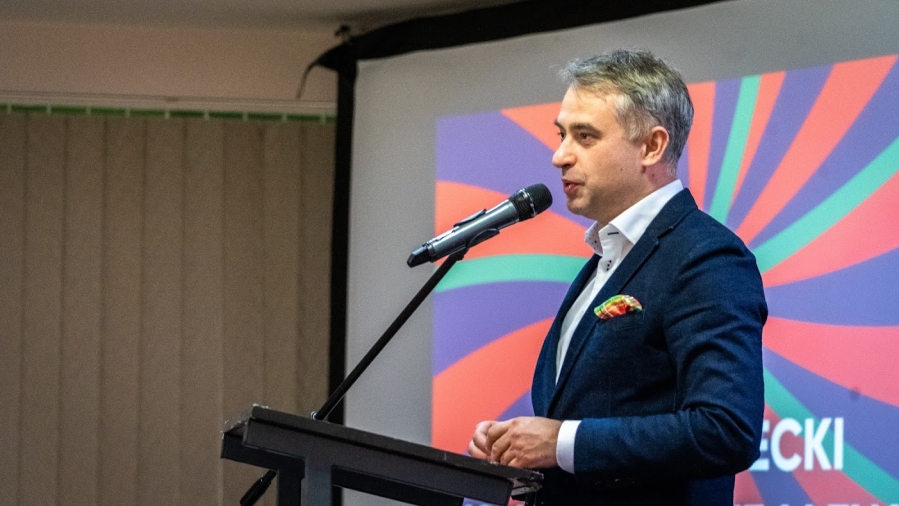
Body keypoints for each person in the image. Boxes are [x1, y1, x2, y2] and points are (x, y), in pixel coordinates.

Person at [468, 49, 767, 505]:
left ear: (652, 146)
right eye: (562, 134)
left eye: (585, 136)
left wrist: (562, 442)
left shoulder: (705, 256)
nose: (559, 156)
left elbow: (726, 429)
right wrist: (519, 450)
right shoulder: (607, 258)